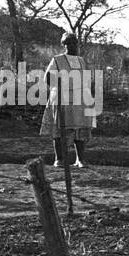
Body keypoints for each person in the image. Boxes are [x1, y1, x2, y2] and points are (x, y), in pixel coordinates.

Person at [39, 32, 95, 168]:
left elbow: (88, 79)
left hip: (80, 100)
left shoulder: (81, 61)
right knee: (60, 128)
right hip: (61, 98)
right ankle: (60, 159)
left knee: (80, 129)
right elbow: (48, 78)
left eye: (74, 42)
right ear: (63, 45)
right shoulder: (57, 60)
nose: (71, 45)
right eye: (68, 43)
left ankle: (80, 159)